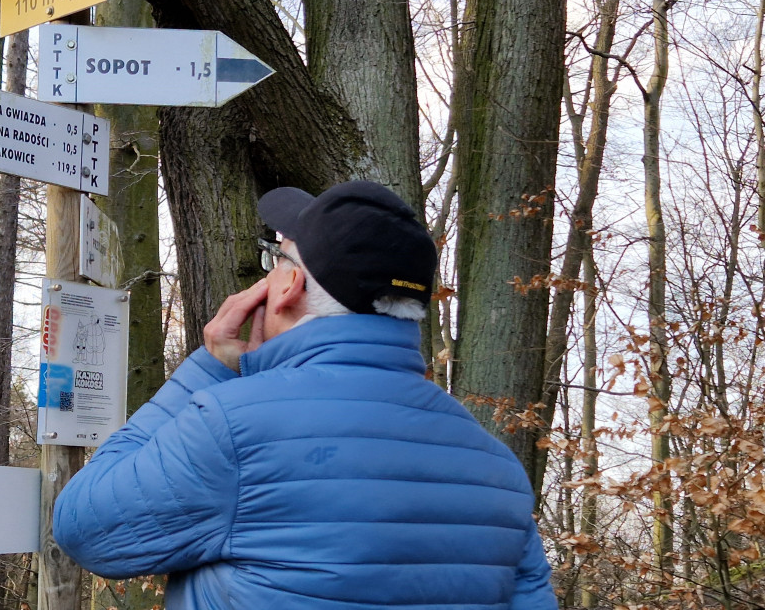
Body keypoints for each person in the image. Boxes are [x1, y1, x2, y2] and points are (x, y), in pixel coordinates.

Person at [53, 180, 557, 609]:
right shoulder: (495, 466)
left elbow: (82, 526)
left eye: (276, 258)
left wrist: (209, 370)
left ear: (290, 284)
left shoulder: (232, 428)